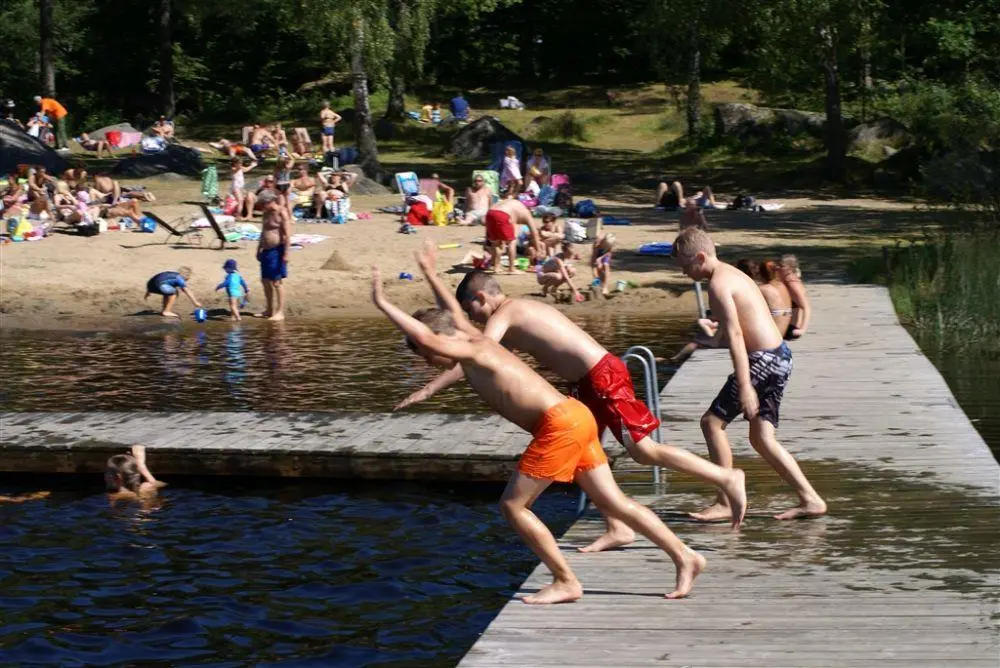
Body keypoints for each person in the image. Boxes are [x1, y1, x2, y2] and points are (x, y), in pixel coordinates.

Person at [373, 261, 707, 602]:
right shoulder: (475, 340)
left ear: (440, 342)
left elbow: (427, 334)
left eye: (427, 355)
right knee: (615, 503)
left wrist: (382, 302)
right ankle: (685, 556)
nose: (431, 361)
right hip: (576, 416)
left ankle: (565, 581)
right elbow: (451, 315)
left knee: (513, 507)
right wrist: (431, 274)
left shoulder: (474, 348)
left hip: (559, 425)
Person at [397, 252, 746, 549]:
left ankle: (725, 477)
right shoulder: (516, 314)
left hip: (603, 376)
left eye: (471, 311)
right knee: (583, 457)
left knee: (644, 451)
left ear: (480, 298)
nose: (472, 319)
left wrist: (428, 390)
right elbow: (481, 359)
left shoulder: (505, 314)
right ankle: (617, 526)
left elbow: (475, 352)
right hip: (589, 382)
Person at [672, 227, 827, 521]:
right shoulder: (734, 274)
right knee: (762, 438)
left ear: (701, 257)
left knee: (711, 423)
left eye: (685, 265)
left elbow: (735, 335)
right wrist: (705, 340)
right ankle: (811, 499)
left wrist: (744, 385)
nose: (683, 272)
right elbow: (738, 327)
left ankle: (725, 500)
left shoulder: (718, 284)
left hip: (762, 361)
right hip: (780, 356)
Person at [255, 190, 291, 321]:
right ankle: (269, 310)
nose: (261, 207)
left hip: (277, 251)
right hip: (266, 251)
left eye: (263, 204)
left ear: (270, 201)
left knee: (277, 282)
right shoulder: (266, 213)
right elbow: (263, 232)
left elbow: (287, 235)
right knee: (265, 281)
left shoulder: (281, 213)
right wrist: (258, 249)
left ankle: (280, 312)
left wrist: (286, 253)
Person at [485, 198, 534, 274]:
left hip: (490, 213)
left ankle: (496, 267)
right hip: (502, 216)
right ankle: (512, 269)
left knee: (497, 246)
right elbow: (534, 233)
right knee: (512, 242)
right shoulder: (522, 211)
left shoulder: (510, 204)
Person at [758, 260, 794, 338]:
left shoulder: (763, 289)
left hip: (773, 330)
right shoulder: (783, 286)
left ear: (760, 274)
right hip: (785, 327)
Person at [780, 255, 810, 339]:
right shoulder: (786, 280)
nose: (778, 268)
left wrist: (802, 329)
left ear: (789, 268)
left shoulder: (793, 284)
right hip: (785, 324)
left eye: (782, 266)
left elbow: (806, 307)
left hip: (792, 328)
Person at [590, 231, 615, 298]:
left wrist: (601, 258)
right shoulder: (597, 243)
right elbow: (593, 259)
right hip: (598, 253)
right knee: (598, 269)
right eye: (605, 245)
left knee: (605, 265)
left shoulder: (610, 242)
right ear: (603, 241)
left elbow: (609, 253)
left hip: (605, 254)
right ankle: (600, 285)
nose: (605, 247)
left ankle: (605, 287)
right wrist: (594, 274)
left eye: (607, 246)